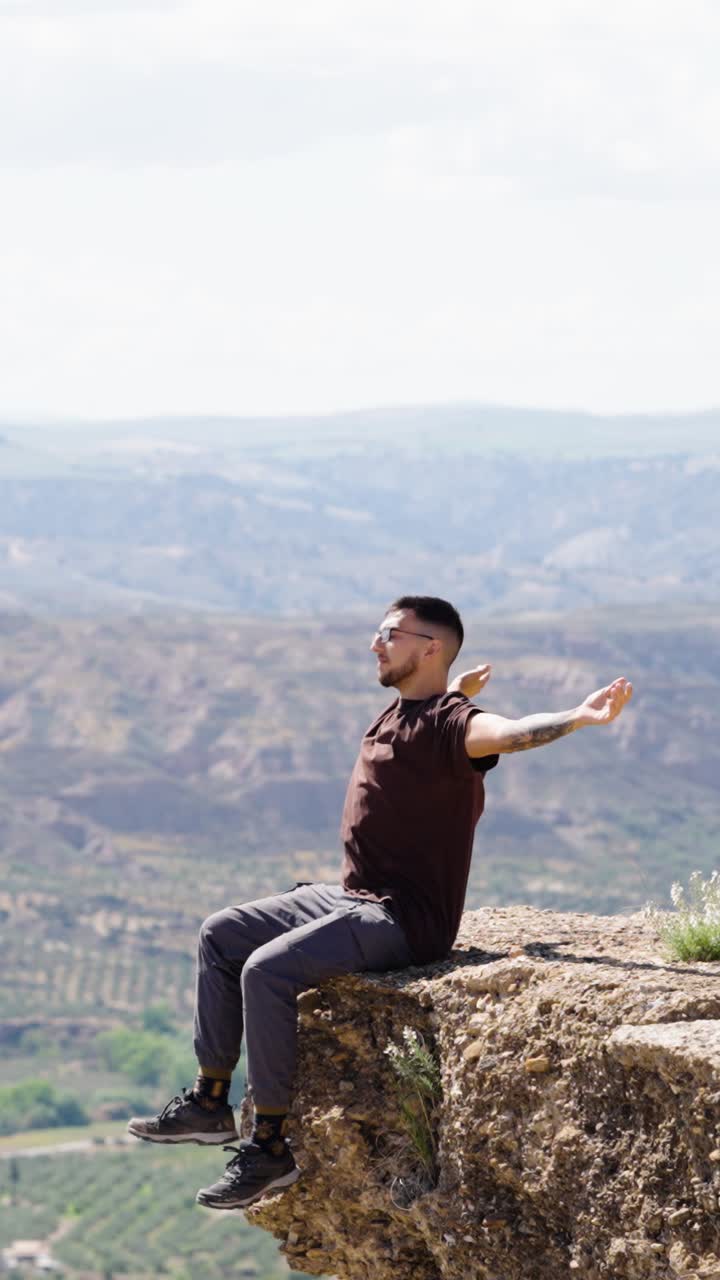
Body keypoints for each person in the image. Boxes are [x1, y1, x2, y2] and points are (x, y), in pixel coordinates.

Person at [128, 595, 633, 1210]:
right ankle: (210, 1103)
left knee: (267, 971)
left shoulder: (453, 724)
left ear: (430, 647)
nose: (375, 642)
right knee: (222, 933)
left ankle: (269, 1149)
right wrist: (455, 684)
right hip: (348, 897)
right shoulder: (404, 711)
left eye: (390, 633)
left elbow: (509, 732)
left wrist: (578, 717)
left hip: (401, 919)